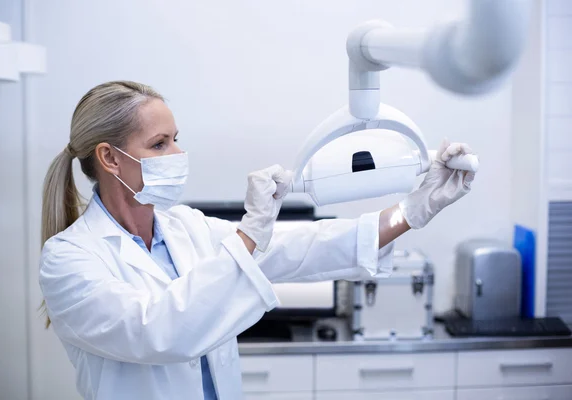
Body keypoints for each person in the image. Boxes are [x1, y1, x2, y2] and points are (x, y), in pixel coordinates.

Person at [39, 81, 476, 400]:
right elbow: (160, 331)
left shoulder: (186, 227)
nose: (177, 155)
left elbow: (307, 246)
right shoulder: (69, 259)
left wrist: (414, 210)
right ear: (110, 157)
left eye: (176, 140)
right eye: (159, 144)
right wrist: (249, 233)